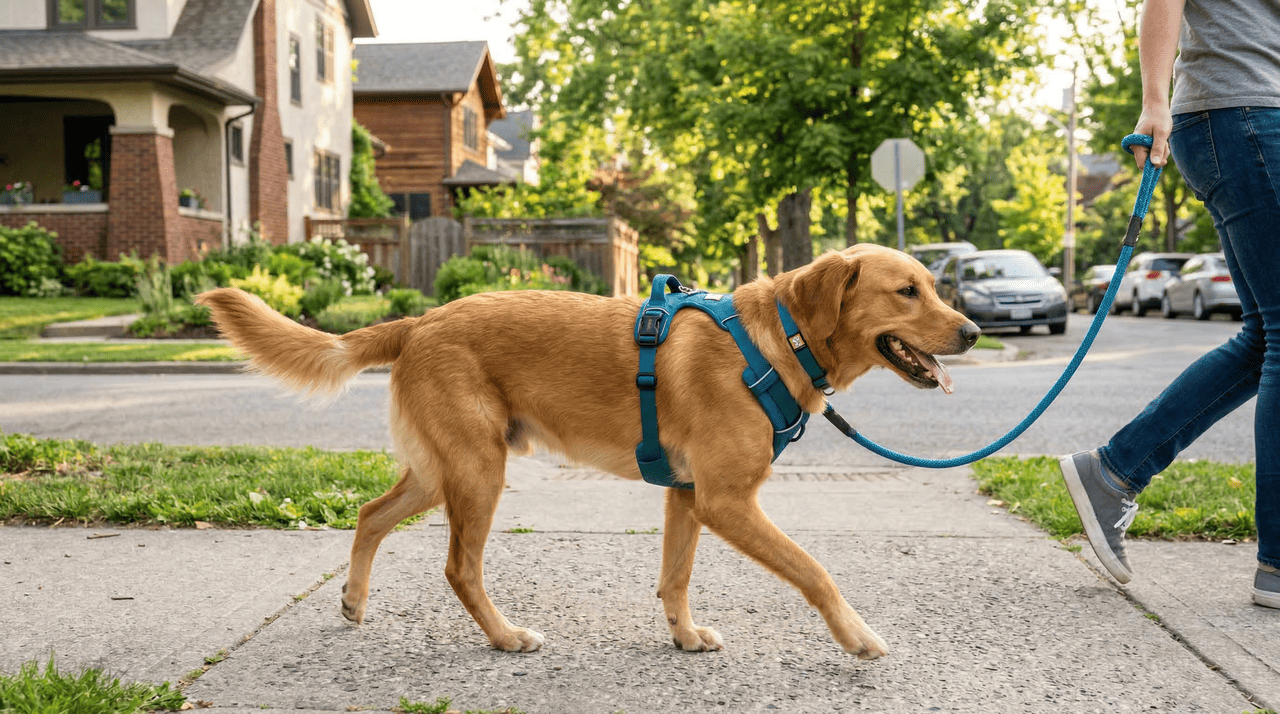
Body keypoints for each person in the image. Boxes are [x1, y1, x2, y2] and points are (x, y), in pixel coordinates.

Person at [1058, 0, 1280, 607]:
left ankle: (1113, 472)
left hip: (1240, 117)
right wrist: (1154, 98)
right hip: (1246, 114)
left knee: (1265, 336)